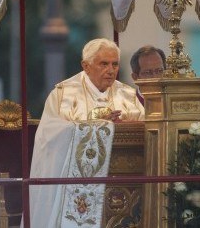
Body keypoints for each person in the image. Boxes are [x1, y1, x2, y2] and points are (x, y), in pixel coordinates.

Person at [28, 38, 144, 227]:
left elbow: (145, 126)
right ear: (86, 66)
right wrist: (99, 124)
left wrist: (123, 125)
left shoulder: (128, 95)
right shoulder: (63, 95)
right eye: (104, 64)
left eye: (115, 64)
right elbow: (50, 136)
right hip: (72, 184)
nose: (111, 70)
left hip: (125, 179)